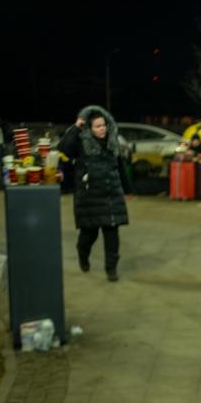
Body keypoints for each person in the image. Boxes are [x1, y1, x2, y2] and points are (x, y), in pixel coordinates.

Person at [58, 105, 129, 282]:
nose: (102, 129)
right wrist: (76, 127)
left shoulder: (112, 142)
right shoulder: (81, 142)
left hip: (111, 194)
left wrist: (127, 189)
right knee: (89, 234)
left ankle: (111, 268)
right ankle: (83, 253)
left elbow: (120, 167)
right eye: (97, 126)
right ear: (89, 128)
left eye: (104, 125)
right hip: (89, 196)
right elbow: (63, 148)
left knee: (112, 233)